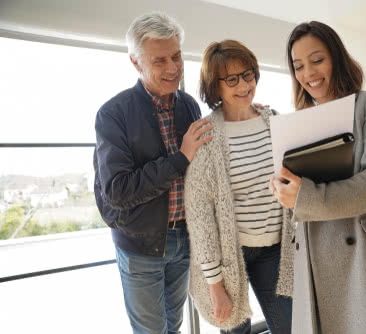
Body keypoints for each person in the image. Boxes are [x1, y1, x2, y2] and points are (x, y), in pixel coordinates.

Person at [270, 21, 366, 334]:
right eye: (298, 66)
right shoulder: (299, 123)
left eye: (317, 60)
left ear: (336, 57)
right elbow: (298, 193)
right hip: (316, 256)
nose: (308, 74)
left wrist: (306, 196)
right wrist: (285, 190)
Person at [93, 12, 213, 334]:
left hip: (183, 240)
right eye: (159, 61)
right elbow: (118, 191)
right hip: (140, 246)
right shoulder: (112, 114)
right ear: (136, 63)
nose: (173, 68)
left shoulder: (189, 106)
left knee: (173, 326)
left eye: (176, 56)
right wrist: (181, 157)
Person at [184, 40, 294, 334]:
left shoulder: (275, 121)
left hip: (274, 250)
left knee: (291, 328)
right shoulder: (206, 135)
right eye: (232, 79)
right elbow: (200, 215)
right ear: (214, 86)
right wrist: (215, 285)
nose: (244, 85)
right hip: (231, 254)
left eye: (249, 75)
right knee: (236, 330)